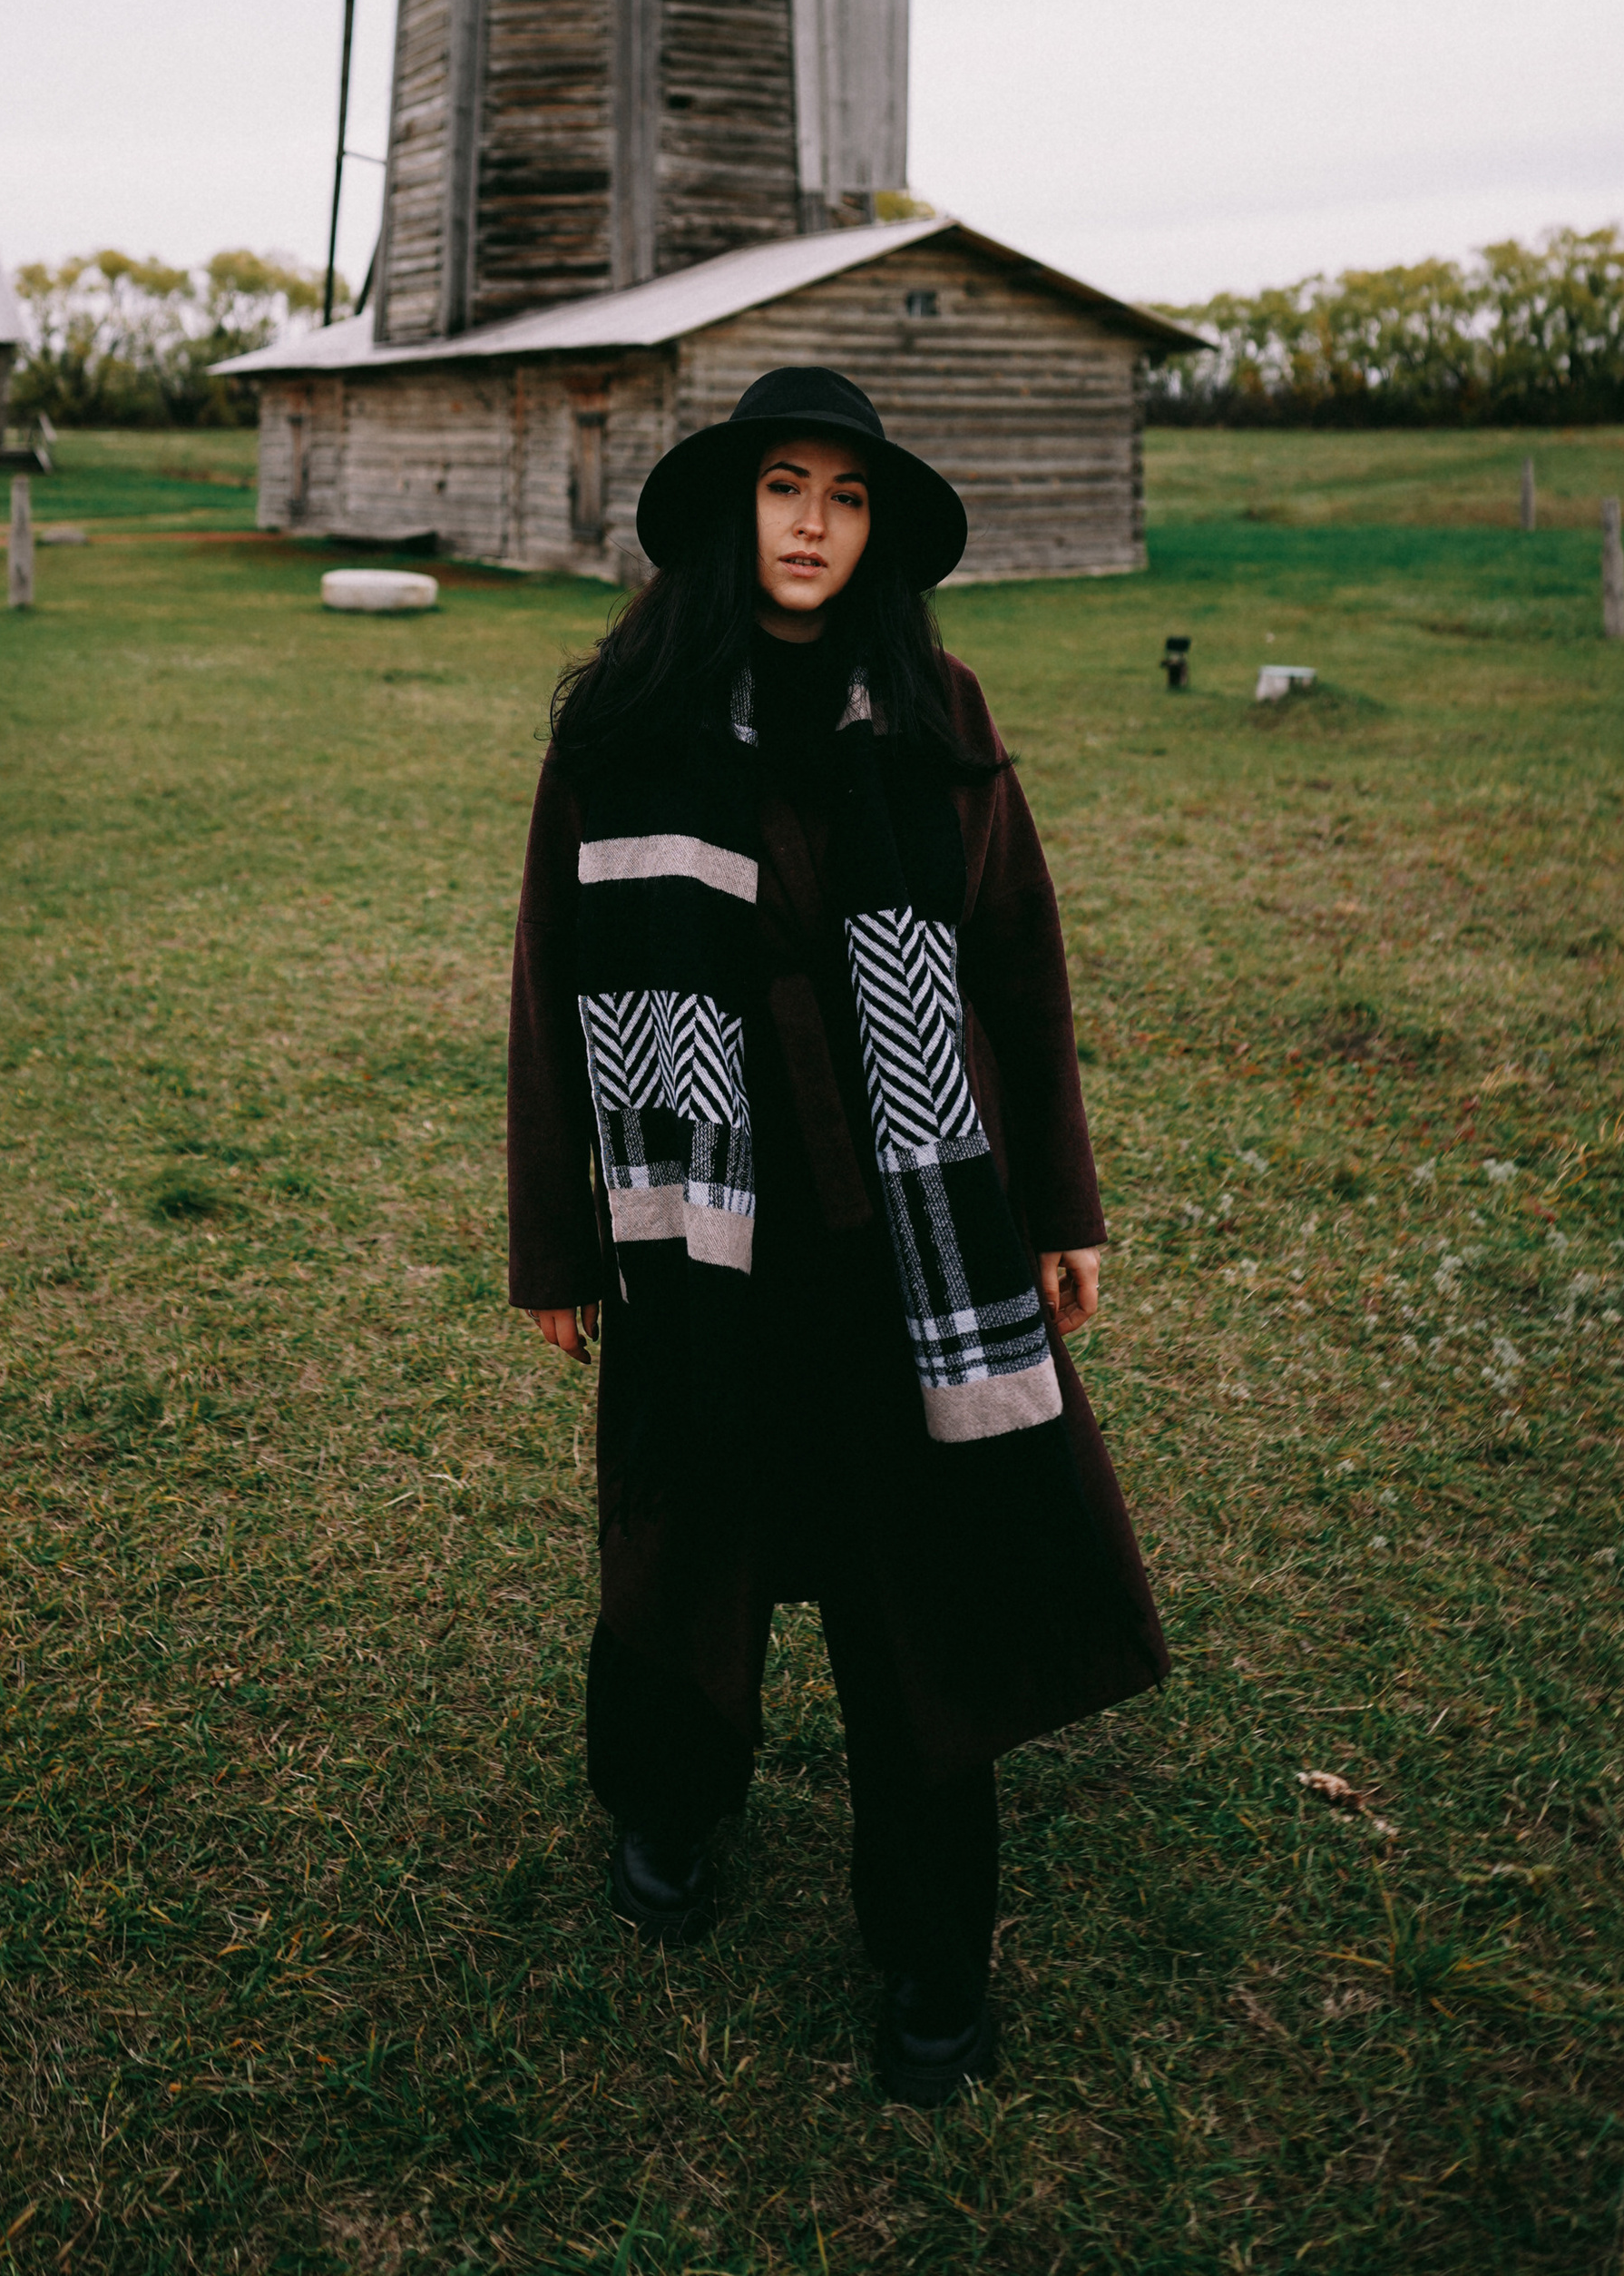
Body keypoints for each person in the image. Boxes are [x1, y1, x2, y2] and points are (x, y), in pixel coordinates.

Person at [505, 366, 1167, 2106]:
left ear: (878, 532)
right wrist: (563, 1246)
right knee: (689, 1527)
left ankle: (932, 1943)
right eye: (784, 486)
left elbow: (1018, 958)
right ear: (735, 509)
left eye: (847, 497)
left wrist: (1064, 1208)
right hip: (694, 1212)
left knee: (913, 1574)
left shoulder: (935, 706)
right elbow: (550, 993)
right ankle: (672, 1802)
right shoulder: (626, 718)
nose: (812, 522)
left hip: (912, 1231)